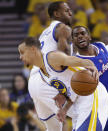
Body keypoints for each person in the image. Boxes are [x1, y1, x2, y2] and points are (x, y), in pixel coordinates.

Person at [18, 37, 108, 131]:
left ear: (33, 49)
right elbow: (71, 90)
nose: (20, 57)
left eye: (22, 52)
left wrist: (91, 65)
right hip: (80, 102)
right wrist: (64, 106)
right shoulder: (43, 74)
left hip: (92, 94)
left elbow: (79, 61)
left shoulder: (51, 58)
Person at [28, 1, 74, 130]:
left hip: (33, 82)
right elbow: (62, 61)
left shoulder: (44, 33)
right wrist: (64, 91)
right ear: (57, 14)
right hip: (47, 80)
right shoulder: (63, 28)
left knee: (54, 128)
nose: (71, 13)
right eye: (67, 10)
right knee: (82, 112)